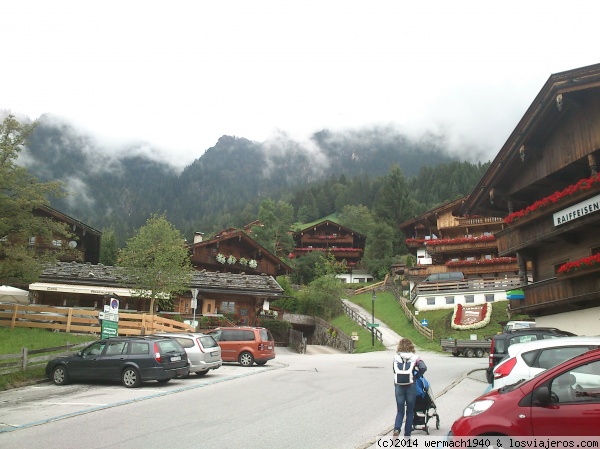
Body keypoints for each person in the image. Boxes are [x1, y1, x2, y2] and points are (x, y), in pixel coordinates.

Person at [392, 338, 427, 439]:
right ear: (411, 346)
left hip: (399, 386)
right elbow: (423, 367)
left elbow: (394, 371)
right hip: (411, 386)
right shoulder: (415, 358)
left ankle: (396, 429)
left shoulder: (396, 357)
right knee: (410, 412)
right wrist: (416, 377)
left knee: (400, 411)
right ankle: (407, 436)